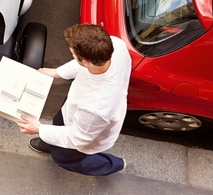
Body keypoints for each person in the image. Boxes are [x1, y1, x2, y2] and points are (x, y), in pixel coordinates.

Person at [15, 24, 131, 176]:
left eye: (72, 53)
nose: (71, 54)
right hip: (74, 106)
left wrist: (40, 129)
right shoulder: (116, 45)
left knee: (66, 159)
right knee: (58, 122)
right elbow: (81, 65)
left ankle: (113, 164)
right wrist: (57, 72)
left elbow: (78, 139)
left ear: (86, 61)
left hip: (82, 135)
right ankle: (52, 143)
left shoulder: (96, 108)